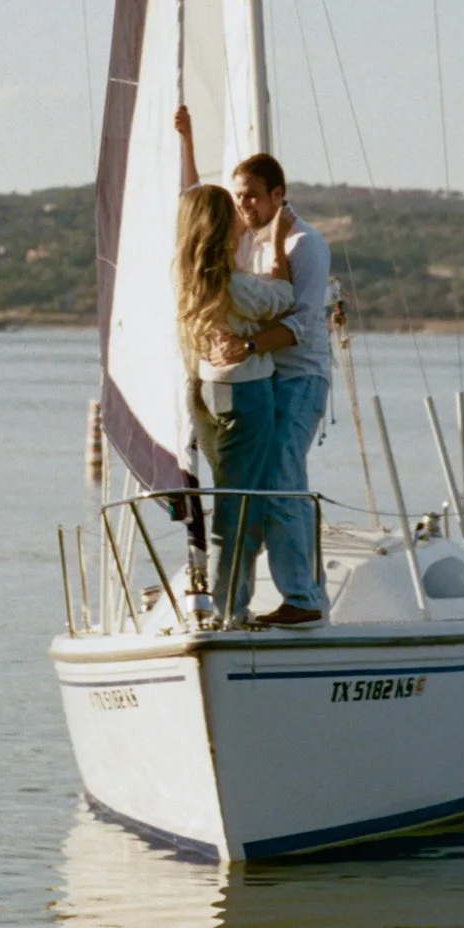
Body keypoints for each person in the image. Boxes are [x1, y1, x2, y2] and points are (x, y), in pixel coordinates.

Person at [170, 160, 291, 620]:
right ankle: (227, 612)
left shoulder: (188, 278)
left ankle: (227, 604)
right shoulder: (235, 287)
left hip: (205, 395)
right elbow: (285, 296)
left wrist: (189, 144)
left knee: (230, 501)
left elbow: (192, 197)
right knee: (237, 510)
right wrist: (277, 239)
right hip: (245, 398)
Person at [232, 149, 332, 622]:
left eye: (251, 196)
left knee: (282, 481)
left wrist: (248, 348)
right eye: (238, 198)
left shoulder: (306, 244)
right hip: (266, 376)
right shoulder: (251, 243)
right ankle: (293, 593)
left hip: (301, 376)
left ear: (278, 195)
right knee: (265, 483)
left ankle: (303, 600)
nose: (244, 206)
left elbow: (305, 322)